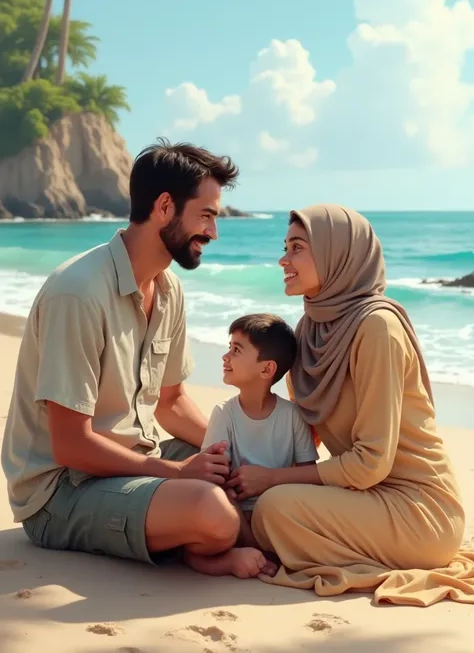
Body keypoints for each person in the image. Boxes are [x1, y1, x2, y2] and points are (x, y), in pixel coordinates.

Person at [1, 139, 273, 579]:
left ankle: (199, 532)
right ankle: (200, 547)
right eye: (206, 215)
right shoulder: (79, 293)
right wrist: (175, 473)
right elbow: (71, 445)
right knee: (214, 512)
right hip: (62, 491)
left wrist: (245, 454)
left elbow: (171, 403)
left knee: (234, 468)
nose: (214, 232)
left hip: (136, 461)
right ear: (165, 206)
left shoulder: (168, 291)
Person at [228, 204, 474, 606]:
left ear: (335, 254)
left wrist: (272, 480)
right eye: (285, 246)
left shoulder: (377, 329)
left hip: (419, 510)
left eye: (297, 247)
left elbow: (370, 463)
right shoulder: (312, 330)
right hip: (363, 498)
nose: (283, 259)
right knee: (258, 500)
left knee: (273, 508)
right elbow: (303, 439)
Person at [187, 313, 318, 577]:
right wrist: (251, 541)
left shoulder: (292, 416)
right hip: (232, 517)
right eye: (228, 348)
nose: (225, 357)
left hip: (276, 517)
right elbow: (213, 484)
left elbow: (308, 479)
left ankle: (253, 552)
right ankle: (232, 558)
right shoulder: (224, 413)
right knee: (204, 523)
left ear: (267, 369)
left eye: (236, 350)